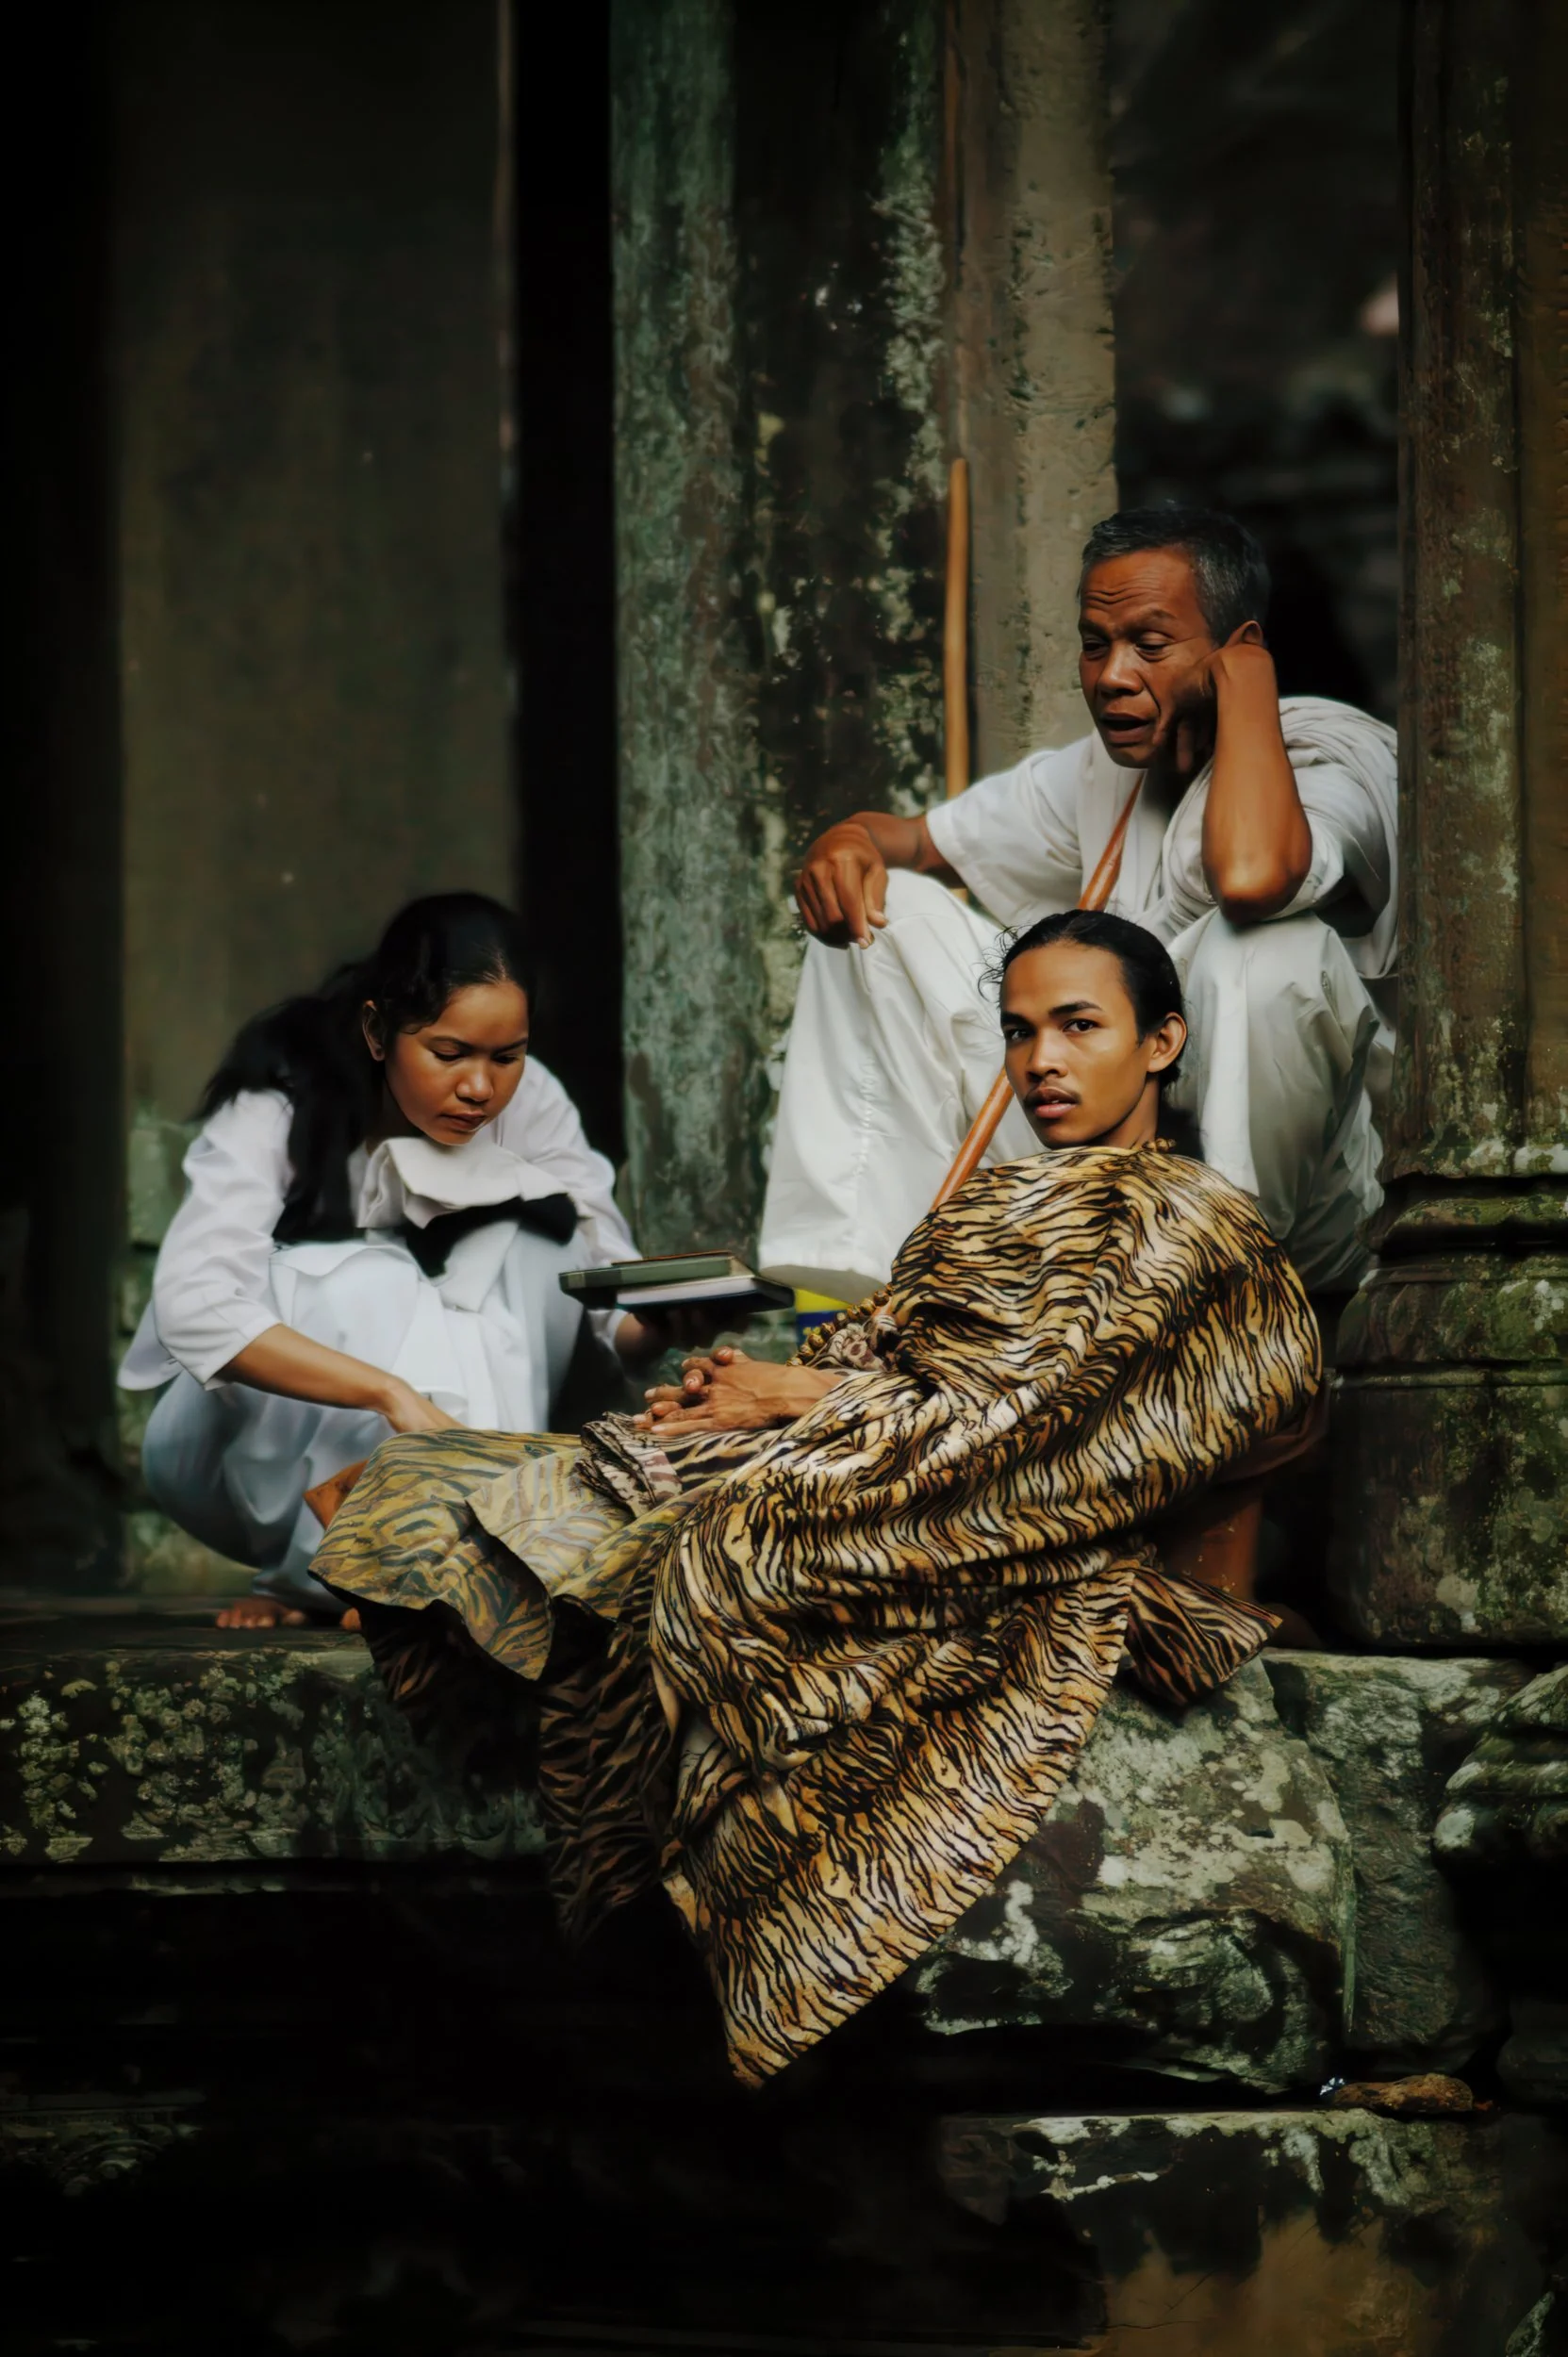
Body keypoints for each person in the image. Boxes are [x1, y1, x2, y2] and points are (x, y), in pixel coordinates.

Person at [311, 911, 1321, 2085]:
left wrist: (808, 1403)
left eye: (1077, 1026)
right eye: (1018, 1030)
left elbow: (1051, 1425)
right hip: (887, 1452)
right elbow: (896, 1343)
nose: (1039, 1059)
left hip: (983, 1504)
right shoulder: (996, 1203)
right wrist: (749, 1384)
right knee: (457, 1485)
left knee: (723, 1544)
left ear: (1161, 1042)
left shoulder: (1189, 1223)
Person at [760, 504, 1397, 1304]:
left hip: (1304, 1217)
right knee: (887, 923)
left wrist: (1247, 690)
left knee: (1262, 948)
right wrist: (846, 843)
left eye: (1150, 645)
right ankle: (878, 1304)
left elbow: (1251, 878)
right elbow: (912, 842)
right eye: (1096, 644)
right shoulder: (1102, 776)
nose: (1112, 676)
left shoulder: (1329, 758)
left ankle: (1227, 1308)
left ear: (1238, 649)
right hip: (1117, 1186)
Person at [120, 893, 673, 1629]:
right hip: (227, 1453)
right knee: (376, 1278)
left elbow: (608, 1299)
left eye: (506, 1056)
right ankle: (331, 1570)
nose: (480, 1088)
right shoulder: (285, 1098)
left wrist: (669, 1321)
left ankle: (471, 1556)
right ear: (378, 1031)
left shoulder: (528, 1101)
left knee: (541, 1239)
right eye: (448, 1054)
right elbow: (194, 1307)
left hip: (442, 1438)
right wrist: (390, 1395)